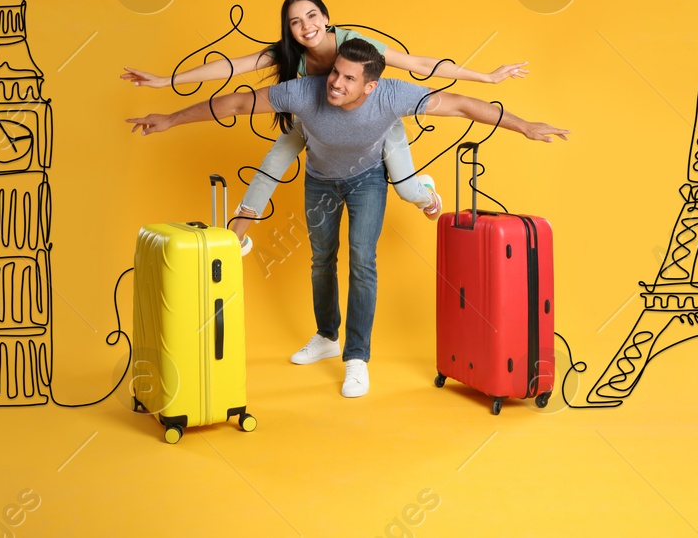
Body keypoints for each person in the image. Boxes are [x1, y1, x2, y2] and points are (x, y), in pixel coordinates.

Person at [127, 39, 569, 398]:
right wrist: (169, 118)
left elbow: (462, 105)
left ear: (371, 85)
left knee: (362, 259)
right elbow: (237, 104)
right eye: (335, 72)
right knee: (322, 258)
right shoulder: (305, 91)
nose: (335, 82)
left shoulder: (393, 95)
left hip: (368, 177)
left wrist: (524, 125)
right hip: (320, 177)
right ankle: (326, 336)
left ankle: (356, 357)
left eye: (348, 78)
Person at [122, 0, 529, 253]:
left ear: (327, 17)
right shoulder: (289, 57)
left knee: (406, 189)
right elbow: (228, 70)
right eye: (296, 22)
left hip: (375, 121)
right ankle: (237, 238)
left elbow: (422, 64)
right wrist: (165, 83)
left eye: (312, 16)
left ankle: (426, 193)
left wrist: (488, 76)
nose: (306, 27)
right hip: (318, 115)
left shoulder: (356, 47)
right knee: (272, 163)